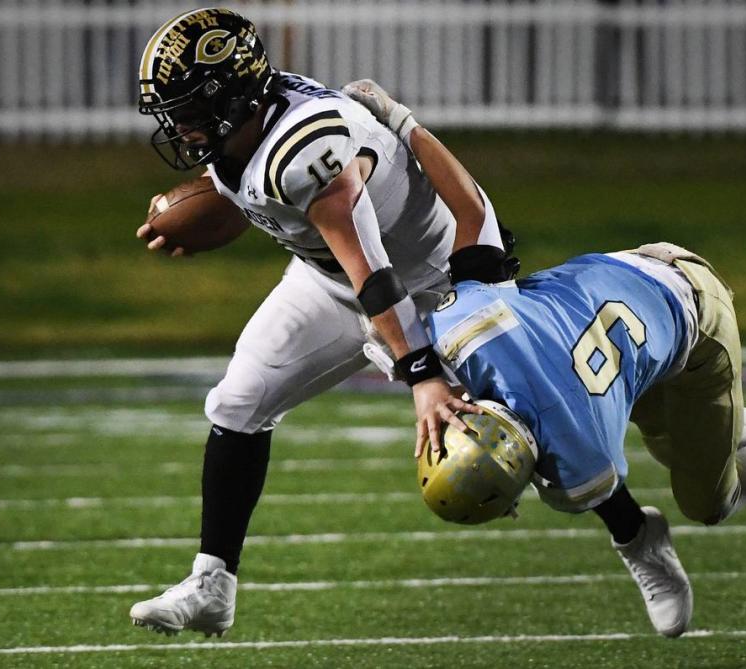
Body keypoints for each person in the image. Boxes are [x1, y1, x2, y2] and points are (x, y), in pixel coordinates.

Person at [341, 80, 746, 638]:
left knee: (711, 499)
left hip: (694, 324)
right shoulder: (472, 330)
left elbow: (596, 486)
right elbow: (472, 209)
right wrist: (402, 120)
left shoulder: (579, 460)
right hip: (637, 280)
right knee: (684, 436)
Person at [127, 8, 510, 636]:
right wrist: (203, 223)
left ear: (229, 95)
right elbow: (250, 198)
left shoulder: (305, 148)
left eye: (190, 109)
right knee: (237, 404)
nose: (179, 126)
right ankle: (211, 584)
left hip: (433, 292)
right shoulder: (250, 127)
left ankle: (636, 526)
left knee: (526, 440)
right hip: (332, 282)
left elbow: (374, 272)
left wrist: (420, 373)